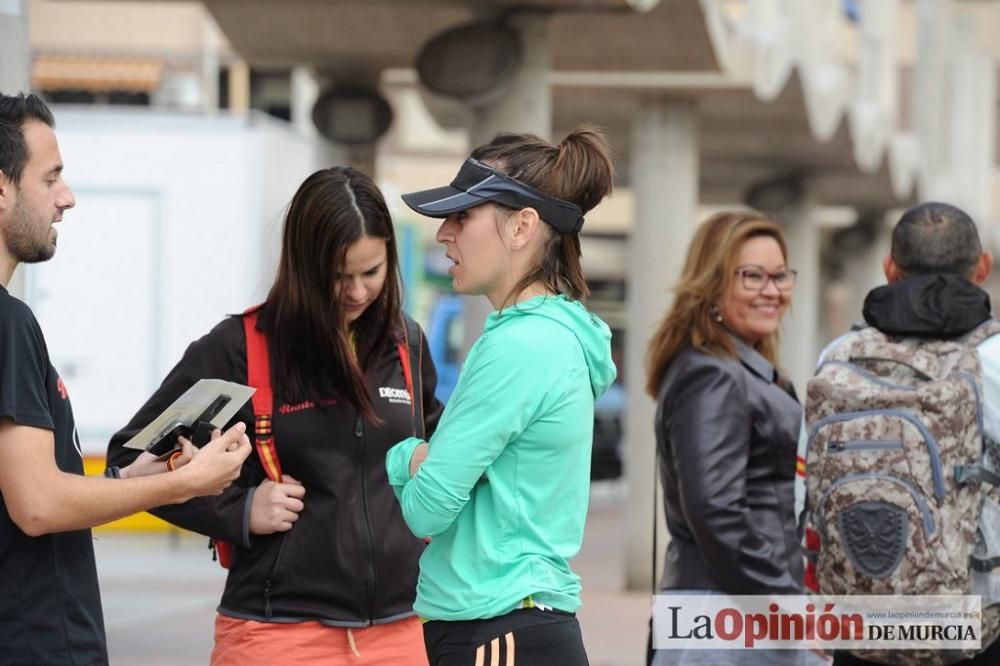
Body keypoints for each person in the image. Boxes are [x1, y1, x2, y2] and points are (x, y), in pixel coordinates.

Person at [106, 166, 443, 665]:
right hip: (276, 633)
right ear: (303, 265)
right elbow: (129, 461)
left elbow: (442, 461)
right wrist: (239, 511)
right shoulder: (238, 350)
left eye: (370, 273)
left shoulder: (407, 344)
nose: (356, 292)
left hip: (402, 631)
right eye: (337, 276)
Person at [0, 92, 252, 666]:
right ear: (2, 187)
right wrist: (182, 485)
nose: (67, 198)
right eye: (51, 178)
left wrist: (125, 476)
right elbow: (36, 505)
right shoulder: (8, 322)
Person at [386, 126, 617, 666]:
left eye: (462, 216)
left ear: (522, 227)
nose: (444, 233)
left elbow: (426, 510)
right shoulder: (556, 335)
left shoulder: (520, 344)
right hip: (516, 623)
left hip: (498, 627)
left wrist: (405, 456)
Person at [809, 202, 1000, 666]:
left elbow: (808, 489)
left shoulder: (839, 356)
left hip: (862, 622)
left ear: (890, 269)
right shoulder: (994, 359)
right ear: (983, 267)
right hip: (976, 628)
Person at [645, 211, 807, 665]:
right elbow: (716, 512)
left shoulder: (738, 370)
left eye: (779, 276)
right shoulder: (713, 376)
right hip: (726, 620)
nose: (771, 290)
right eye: (752, 276)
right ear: (713, 284)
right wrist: (786, 604)